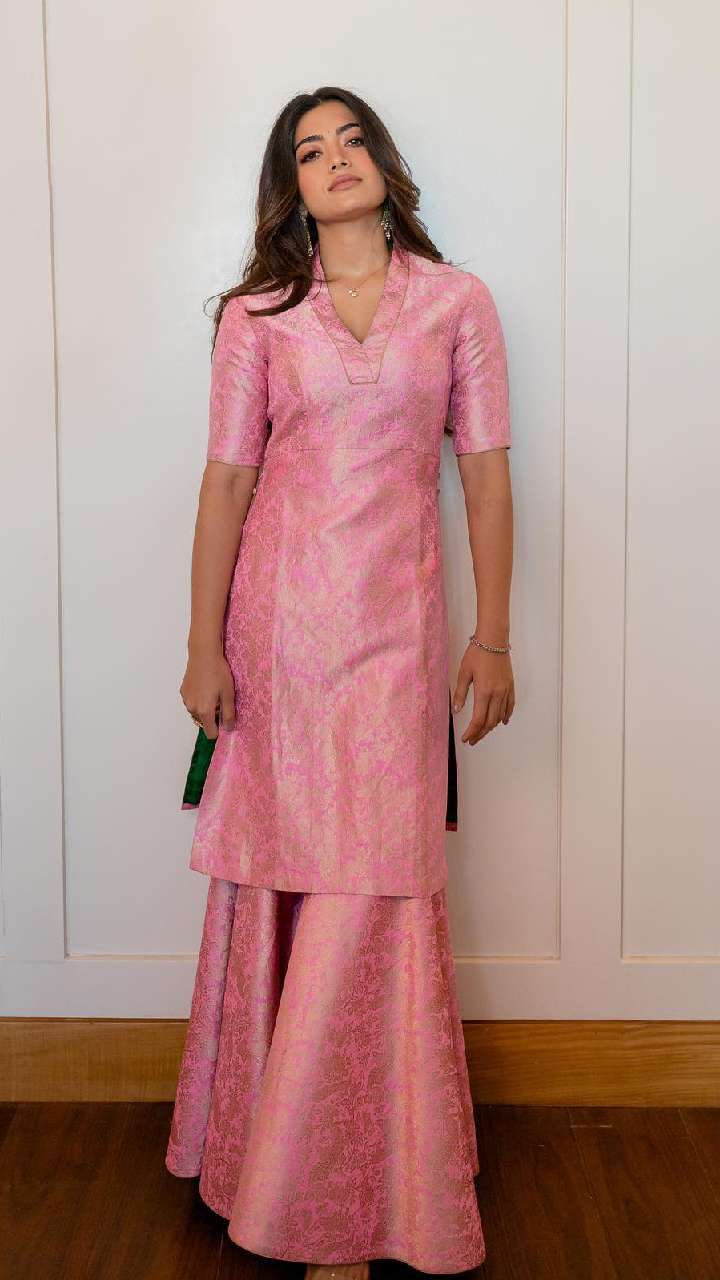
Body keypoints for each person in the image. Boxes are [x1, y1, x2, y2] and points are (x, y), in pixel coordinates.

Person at [165, 85, 514, 1278]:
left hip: (398, 643)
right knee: (284, 876)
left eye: (351, 138)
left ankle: (356, 1193)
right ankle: (265, 1163)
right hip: (277, 641)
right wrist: (203, 643)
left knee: (374, 888)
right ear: (294, 188)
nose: (336, 159)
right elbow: (225, 483)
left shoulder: (457, 303)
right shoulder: (259, 316)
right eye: (311, 151)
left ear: (383, 161)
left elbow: (486, 476)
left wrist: (494, 636)